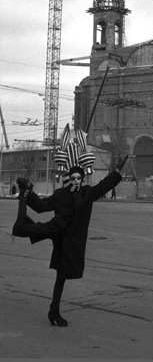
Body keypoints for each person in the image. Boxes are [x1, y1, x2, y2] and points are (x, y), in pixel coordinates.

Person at [12, 123, 128, 328]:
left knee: (62, 276)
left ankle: (53, 311)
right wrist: (29, 196)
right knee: (41, 231)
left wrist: (117, 173)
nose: (76, 180)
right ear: (68, 177)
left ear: (82, 179)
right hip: (58, 234)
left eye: (79, 177)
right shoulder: (61, 195)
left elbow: (104, 185)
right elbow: (40, 207)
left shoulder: (87, 193)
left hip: (72, 241)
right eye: (72, 177)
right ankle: (23, 208)